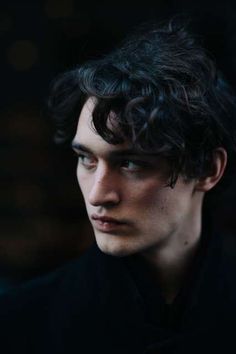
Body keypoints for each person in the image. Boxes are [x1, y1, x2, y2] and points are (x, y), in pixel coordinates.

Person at [1, 18, 236, 354]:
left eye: (130, 163)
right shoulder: (18, 325)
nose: (98, 195)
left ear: (209, 169)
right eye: (86, 159)